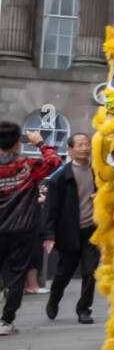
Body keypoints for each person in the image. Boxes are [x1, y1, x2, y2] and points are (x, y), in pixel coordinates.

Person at [0, 123, 61, 334]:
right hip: (22, 229)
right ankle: (6, 322)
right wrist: (40, 143)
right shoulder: (27, 164)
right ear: (18, 142)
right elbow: (55, 162)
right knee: (17, 276)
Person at [41, 132, 99, 324]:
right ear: (70, 149)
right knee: (63, 273)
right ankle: (54, 298)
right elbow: (51, 207)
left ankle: (84, 309)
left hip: (92, 230)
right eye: (80, 145)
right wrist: (49, 233)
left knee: (90, 273)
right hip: (69, 232)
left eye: (87, 144)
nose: (85, 148)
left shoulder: (98, 173)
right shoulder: (61, 176)